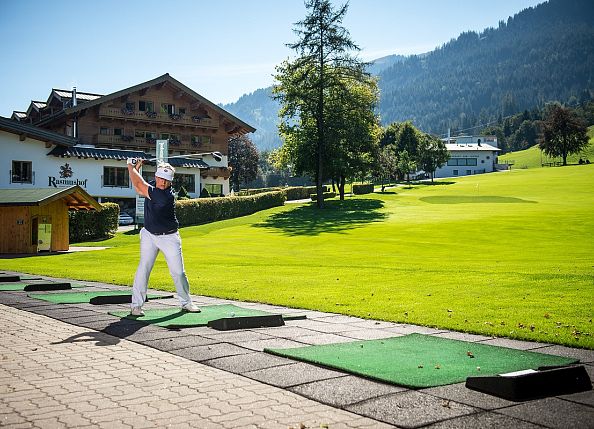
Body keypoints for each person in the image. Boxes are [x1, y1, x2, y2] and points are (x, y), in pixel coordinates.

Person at [126, 158, 200, 316]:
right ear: (156, 176)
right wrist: (137, 168)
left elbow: (139, 185)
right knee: (143, 268)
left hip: (169, 237)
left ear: (171, 182)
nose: (163, 182)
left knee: (178, 272)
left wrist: (130, 166)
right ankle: (136, 306)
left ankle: (186, 303)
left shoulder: (165, 196)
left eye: (167, 180)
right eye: (160, 178)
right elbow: (139, 188)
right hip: (149, 235)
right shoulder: (153, 184)